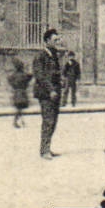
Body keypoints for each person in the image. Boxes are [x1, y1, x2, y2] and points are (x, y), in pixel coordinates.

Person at [34, 29, 66, 158]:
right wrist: (51, 89)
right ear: (47, 41)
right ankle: (44, 150)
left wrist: (61, 80)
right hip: (46, 94)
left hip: (55, 92)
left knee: (53, 121)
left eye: (58, 40)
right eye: (55, 40)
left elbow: (55, 73)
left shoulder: (54, 55)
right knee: (48, 121)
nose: (57, 42)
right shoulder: (40, 56)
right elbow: (40, 76)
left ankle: (48, 148)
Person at [8, 55, 32, 127]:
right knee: (19, 108)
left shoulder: (13, 75)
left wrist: (13, 86)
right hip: (22, 92)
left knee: (19, 108)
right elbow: (30, 76)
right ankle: (16, 122)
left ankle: (21, 122)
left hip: (16, 92)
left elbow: (9, 80)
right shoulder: (23, 75)